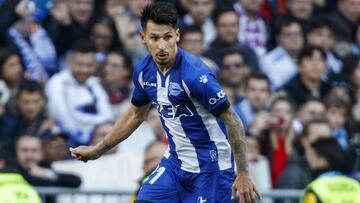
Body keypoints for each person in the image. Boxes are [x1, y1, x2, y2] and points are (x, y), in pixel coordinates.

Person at [70, 2, 260, 203]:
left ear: (176, 35)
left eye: (167, 37)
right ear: (143, 38)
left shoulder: (195, 75)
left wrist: (243, 172)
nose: (161, 46)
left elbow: (232, 119)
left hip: (211, 169)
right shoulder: (144, 71)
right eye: (154, 38)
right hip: (175, 164)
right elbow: (136, 114)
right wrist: (98, 149)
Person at [300, 137, 360, 203]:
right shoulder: (355, 185)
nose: (307, 159)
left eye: (311, 155)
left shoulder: (316, 188)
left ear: (322, 160)